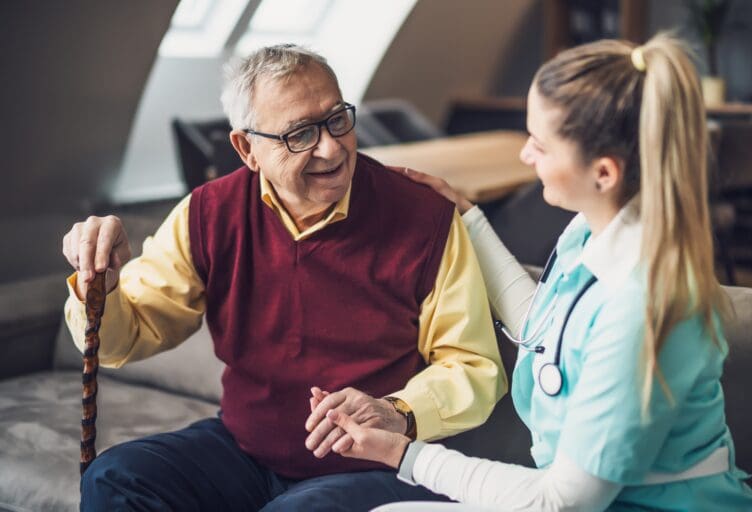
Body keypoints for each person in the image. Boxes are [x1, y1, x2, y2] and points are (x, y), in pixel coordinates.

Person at [318, 34, 752, 511]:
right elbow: (547, 330)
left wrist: (403, 454)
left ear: (605, 173)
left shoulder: (644, 308)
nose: (525, 156)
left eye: (540, 144)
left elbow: (560, 502)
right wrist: (468, 219)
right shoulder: (593, 232)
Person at [61, 44, 507, 511]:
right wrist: (102, 284)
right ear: (246, 148)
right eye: (301, 134)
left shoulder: (425, 217)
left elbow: (475, 367)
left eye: (338, 120)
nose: (332, 148)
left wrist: (395, 412)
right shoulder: (209, 213)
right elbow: (123, 338)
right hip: (244, 449)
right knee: (115, 478)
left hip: (378, 465)